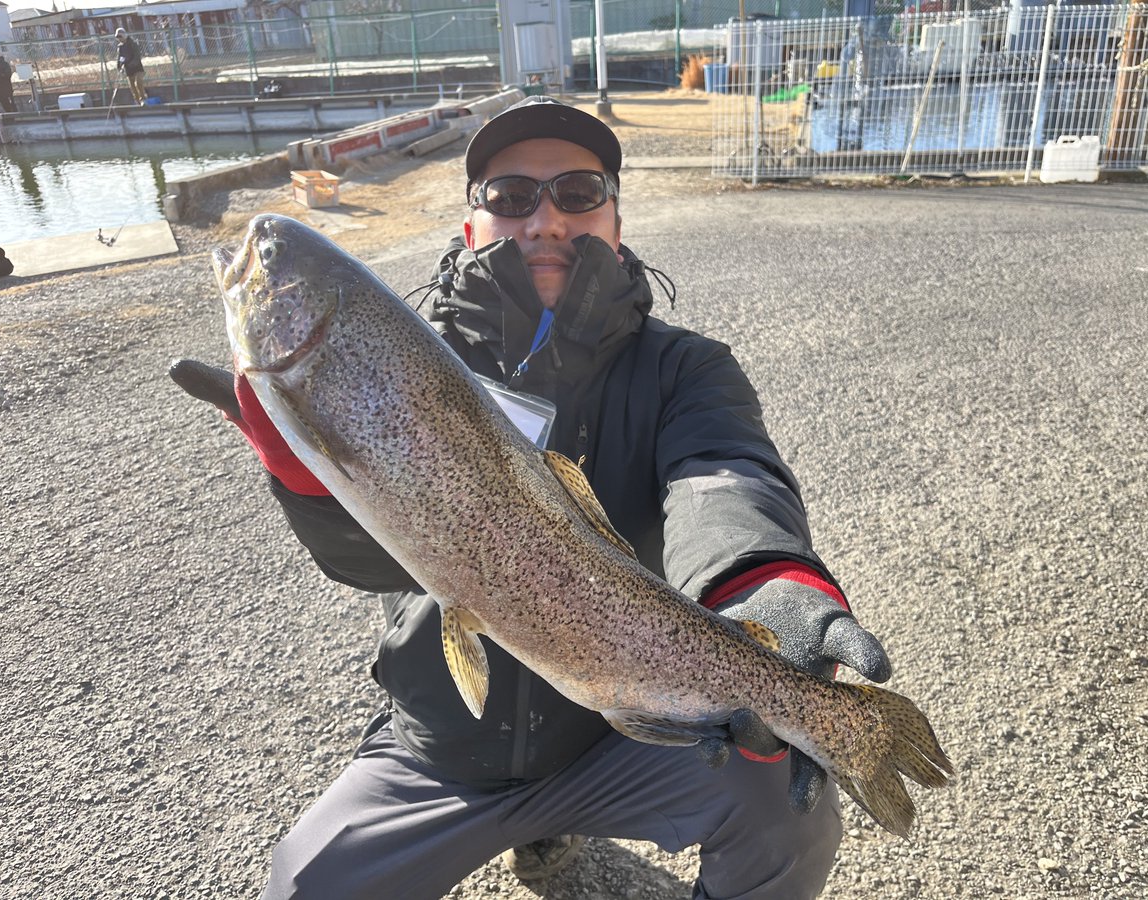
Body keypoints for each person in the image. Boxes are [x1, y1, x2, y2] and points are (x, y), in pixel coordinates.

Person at [173, 95, 894, 899]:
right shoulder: (406, 357)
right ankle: (534, 835)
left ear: (617, 216)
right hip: (439, 746)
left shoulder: (687, 369)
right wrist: (307, 469)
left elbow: (723, 474)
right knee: (303, 886)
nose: (545, 219)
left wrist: (759, 581)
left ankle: (562, 827)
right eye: (512, 196)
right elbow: (362, 561)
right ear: (472, 219)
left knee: (788, 814)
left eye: (578, 193)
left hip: (612, 735)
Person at [114, 28, 147, 106]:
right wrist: (119, 67)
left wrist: (132, 63)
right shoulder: (120, 47)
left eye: (120, 36)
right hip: (128, 69)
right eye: (117, 37)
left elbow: (137, 56)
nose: (119, 39)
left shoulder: (133, 43)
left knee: (138, 83)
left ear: (124, 35)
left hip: (137, 67)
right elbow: (119, 58)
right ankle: (137, 101)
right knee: (132, 86)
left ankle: (143, 99)